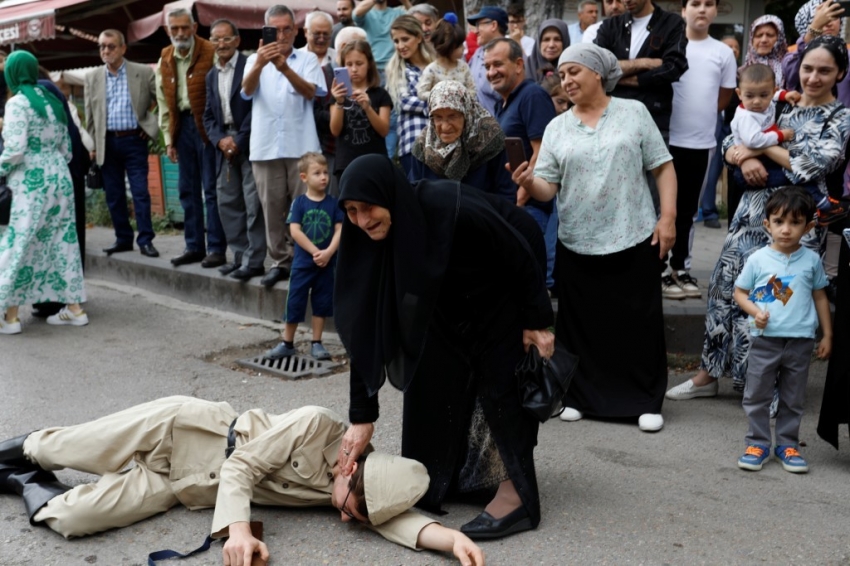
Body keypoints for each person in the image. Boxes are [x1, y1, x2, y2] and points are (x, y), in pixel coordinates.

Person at [336, 154, 555, 540]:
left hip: (503, 276)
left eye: (368, 207)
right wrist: (362, 415)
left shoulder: (444, 205)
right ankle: (450, 474)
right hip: (446, 290)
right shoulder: (368, 237)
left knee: (500, 376)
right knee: (434, 373)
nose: (362, 220)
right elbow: (364, 328)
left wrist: (537, 321)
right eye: (351, 211)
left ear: (390, 195)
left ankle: (516, 494)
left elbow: (517, 248)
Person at [0, 397, 485, 566]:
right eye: (347, 507)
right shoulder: (319, 424)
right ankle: (18, 458)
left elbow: (394, 519)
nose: (342, 517)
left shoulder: (364, 490)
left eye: (351, 517)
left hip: (185, 486)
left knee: (67, 517)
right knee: (53, 447)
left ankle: (20, 481)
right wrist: (235, 531)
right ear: (349, 469)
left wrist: (451, 539)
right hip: (181, 428)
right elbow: (240, 468)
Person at [666, 35, 850, 400]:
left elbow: (815, 164)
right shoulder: (780, 101)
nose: (813, 78)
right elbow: (730, 137)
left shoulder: (840, 116)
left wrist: (761, 146)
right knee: (724, 287)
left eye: (824, 71)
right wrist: (745, 156)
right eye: (809, 68)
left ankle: (764, 382)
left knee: (777, 299)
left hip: (794, 224)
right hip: (751, 213)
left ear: (840, 73)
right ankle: (708, 373)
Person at [512, 44, 677, 432]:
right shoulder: (557, 127)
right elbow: (548, 189)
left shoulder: (633, 113)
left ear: (598, 74)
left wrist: (667, 218)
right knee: (583, 325)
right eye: (562, 74)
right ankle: (579, 396)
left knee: (637, 323)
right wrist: (527, 182)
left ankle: (644, 400)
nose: (566, 80)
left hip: (634, 233)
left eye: (574, 72)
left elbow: (663, 167)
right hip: (577, 239)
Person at [734, 187, 832, 473]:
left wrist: (828, 334)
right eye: (779, 222)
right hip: (765, 339)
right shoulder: (758, 260)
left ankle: (787, 444)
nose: (786, 229)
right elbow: (740, 293)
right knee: (757, 395)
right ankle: (758, 442)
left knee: (793, 397)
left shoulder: (812, 261)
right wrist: (755, 312)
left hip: (800, 341)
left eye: (795, 222)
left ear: (808, 226)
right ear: (767, 224)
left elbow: (820, 296)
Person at [0, 51, 88, 334]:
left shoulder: (17, 104)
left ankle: (9, 316)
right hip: (59, 178)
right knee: (63, 242)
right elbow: (67, 149)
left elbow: (13, 151)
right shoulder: (52, 102)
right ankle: (75, 309)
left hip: (29, 180)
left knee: (19, 242)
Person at [241, 4, 327, 288]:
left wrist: (284, 68)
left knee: (305, 208)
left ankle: (309, 261)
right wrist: (261, 64)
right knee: (272, 209)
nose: (281, 35)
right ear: (265, 32)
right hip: (265, 146)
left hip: (302, 146)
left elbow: (312, 92)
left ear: (295, 29)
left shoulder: (308, 59)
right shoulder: (254, 58)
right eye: (274, 30)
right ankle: (280, 262)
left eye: (286, 29)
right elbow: (246, 91)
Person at [662, 0, 737, 300]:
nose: (702, 9)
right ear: (683, 10)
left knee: (687, 210)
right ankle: (658, 269)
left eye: (708, 4)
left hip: (701, 142)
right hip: (666, 141)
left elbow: (723, 98)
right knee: (661, 208)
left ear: (716, 11)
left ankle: (680, 268)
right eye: (695, 3)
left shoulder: (722, 53)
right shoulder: (671, 46)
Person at [155, 8, 227, 269]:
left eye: (185, 27)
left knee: (211, 189)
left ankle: (217, 248)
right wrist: (168, 139)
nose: (180, 33)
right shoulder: (165, 56)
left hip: (207, 126)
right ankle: (194, 246)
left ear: (195, 27)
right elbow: (164, 102)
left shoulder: (210, 49)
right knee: (187, 190)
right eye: (174, 29)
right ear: (167, 30)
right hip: (182, 127)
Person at [486, 38, 558, 289]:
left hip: (529, 209)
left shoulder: (532, 95)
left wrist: (519, 200)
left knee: (529, 286)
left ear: (518, 64)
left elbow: (543, 153)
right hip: (510, 208)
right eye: (486, 66)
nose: (491, 72)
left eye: (497, 64)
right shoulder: (503, 103)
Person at [85, 29, 159, 259]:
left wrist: (150, 125)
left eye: (111, 46)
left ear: (123, 48)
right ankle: (123, 239)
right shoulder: (92, 76)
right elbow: (89, 115)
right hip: (107, 142)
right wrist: (92, 146)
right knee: (114, 195)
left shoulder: (143, 72)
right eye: (102, 46)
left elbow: (162, 101)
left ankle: (145, 240)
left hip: (134, 140)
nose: (106, 50)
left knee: (140, 192)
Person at [203, 19, 266, 282]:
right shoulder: (211, 75)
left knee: (253, 204)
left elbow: (257, 106)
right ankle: (239, 257)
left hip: (249, 142)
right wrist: (220, 140)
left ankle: (255, 261)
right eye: (216, 39)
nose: (221, 44)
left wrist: (238, 140)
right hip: (224, 147)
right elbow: (208, 116)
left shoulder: (249, 65)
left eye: (226, 39)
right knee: (228, 203)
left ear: (237, 40)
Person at [265, 153, 343, 361]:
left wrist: (328, 253)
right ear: (304, 177)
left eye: (325, 172)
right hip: (302, 264)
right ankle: (287, 342)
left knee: (321, 303)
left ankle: (316, 343)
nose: (323, 177)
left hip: (326, 264)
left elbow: (340, 230)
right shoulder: (299, 203)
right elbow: (295, 231)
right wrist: (315, 251)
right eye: (317, 173)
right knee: (295, 301)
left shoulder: (334, 203)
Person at [593, 0, 688, 141]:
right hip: (612, 119)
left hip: (653, 120)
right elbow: (597, 66)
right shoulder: (609, 26)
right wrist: (645, 63)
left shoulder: (672, 23)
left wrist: (616, 77)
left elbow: (673, 68)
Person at [410, 80, 514, 201]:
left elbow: (506, 194)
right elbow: (413, 196)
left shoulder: (491, 137)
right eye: (438, 117)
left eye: (452, 116)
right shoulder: (422, 146)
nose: (444, 127)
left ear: (467, 113)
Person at [329, 40, 393, 184]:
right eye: (349, 64)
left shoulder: (380, 94)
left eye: (359, 63)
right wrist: (339, 101)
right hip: (346, 163)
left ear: (369, 64)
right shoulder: (339, 94)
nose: (354, 69)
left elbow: (384, 130)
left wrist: (367, 107)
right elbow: (335, 130)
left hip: (375, 162)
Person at [702, 34, 742, 229]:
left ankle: (735, 214)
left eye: (735, 47)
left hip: (738, 128)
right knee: (713, 168)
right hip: (718, 123)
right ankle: (709, 212)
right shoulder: (713, 69)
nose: (732, 50)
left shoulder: (743, 73)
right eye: (728, 46)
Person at [385, 15, 434, 176]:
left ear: (419, 37)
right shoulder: (397, 69)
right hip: (413, 142)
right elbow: (404, 101)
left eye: (405, 39)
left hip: (442, 142)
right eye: (396, 41)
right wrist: (435, 105)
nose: (400, 46)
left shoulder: (435, 65)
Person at [417, 19, 476, 101]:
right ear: (448, 47)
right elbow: (422, 93)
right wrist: (440, 96)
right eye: (460, 46)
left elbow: (472, 89)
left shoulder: (463, 67)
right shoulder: (432, 70)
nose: (463, 48)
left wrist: (463, 97)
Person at [467, 7, 509, 116]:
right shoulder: (477, 54)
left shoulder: (511, 53)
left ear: (493, 25)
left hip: (502, 127)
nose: (476, 31)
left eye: (479, 25)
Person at [353, 0, 411, 75]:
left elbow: (416, 20)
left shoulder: (397, 12)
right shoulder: (367, 14)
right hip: (373, 67)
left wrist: (405, 2)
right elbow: (356, 14)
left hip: (395, 67)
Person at [525, 19, 570, 84]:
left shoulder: (572, 69)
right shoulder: (526, 66)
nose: (551, 45)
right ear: (539, 43)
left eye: (557, 39)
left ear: (565, 42)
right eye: (546, 40)